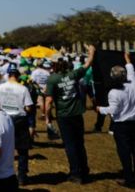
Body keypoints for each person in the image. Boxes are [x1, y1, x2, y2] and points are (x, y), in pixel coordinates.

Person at [45, 45, 95, 184]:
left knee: (70, 145)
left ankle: (75, 173)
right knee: (80, 143)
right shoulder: (73, 74)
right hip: (77, 113)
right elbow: (88, 63)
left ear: (54, 64)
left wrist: (48, 118)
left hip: (64, 115)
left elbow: (48, 101)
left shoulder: (53, 79)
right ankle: (84, 170)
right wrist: (91, 51)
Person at [97, 52, 135, 188]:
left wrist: (100, 109)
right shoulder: (133, 85)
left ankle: (129, 179)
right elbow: (131, 71)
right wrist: (127, 59)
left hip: (122, 125)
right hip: (134, 123)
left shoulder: (113, 93)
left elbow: (113, 111)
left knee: (124, 153)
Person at [0, 68, 33, 185]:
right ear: (17, 77)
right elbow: (28, 107)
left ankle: (2, 174)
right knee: (22, 149)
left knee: (3, 148)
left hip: (4, 118)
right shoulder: (23, 89)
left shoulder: (0, 87)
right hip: (19, 120)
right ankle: (22, 176)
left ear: (9, 76)